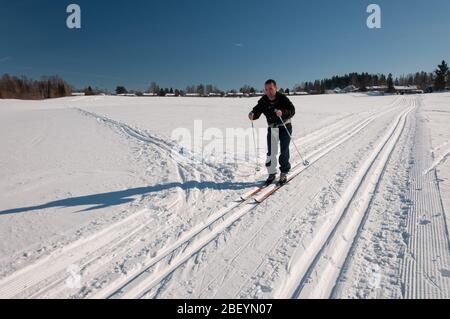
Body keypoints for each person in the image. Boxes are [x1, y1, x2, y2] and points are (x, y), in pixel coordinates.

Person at [248, 79, 296, 186]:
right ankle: (272, 173)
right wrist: (252, 114)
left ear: (275, 88)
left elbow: (292, 110)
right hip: (272, 128)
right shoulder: (264, 100)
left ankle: (283, 173)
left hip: (285, 127)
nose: (268, 92)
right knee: (271, 152)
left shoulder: (282, 98)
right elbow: (257, 110)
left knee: (284, 151)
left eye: (270, 89)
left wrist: (282, 112)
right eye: (266, 89)